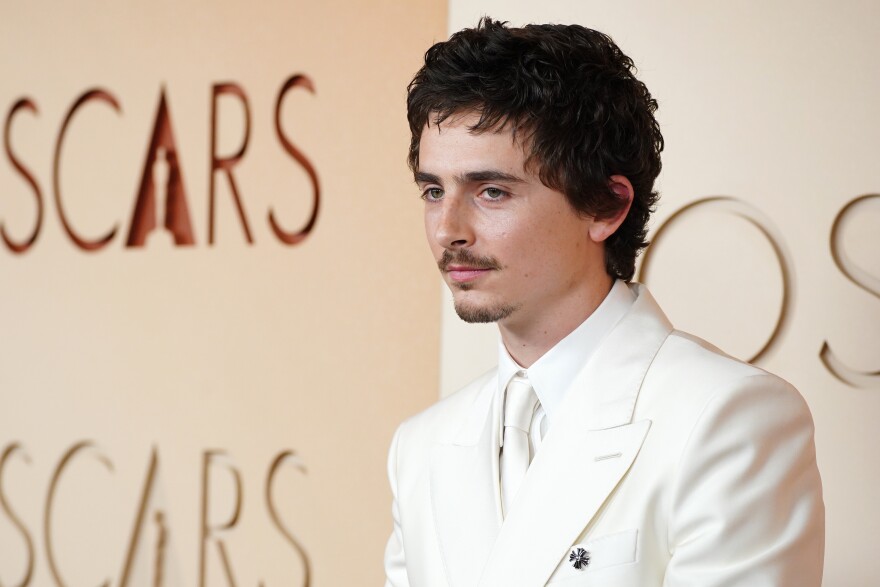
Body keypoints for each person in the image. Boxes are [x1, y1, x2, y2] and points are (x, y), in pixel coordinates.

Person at [384, 18, 824, 587]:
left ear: (606, 206)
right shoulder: (420, 447)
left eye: (491, 191)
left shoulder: (729, 419)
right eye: (433, 190)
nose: (448, 229)